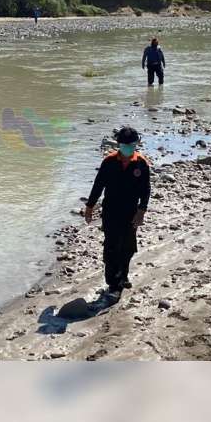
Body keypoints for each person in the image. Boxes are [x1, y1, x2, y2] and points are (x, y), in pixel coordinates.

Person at [84, 126, 151, 302]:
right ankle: (113, 284)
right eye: (124, 144)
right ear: (119, 144)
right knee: (112, 247)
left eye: (131, 145)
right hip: (111, 212)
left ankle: (124, 276)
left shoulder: (141, 163)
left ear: (136, 144)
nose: (128, 148)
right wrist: (90, 207)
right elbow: (98, 186)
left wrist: (142, 210)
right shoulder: (109, 162)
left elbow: (146, 190)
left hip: (131, 212)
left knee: (128, 247)